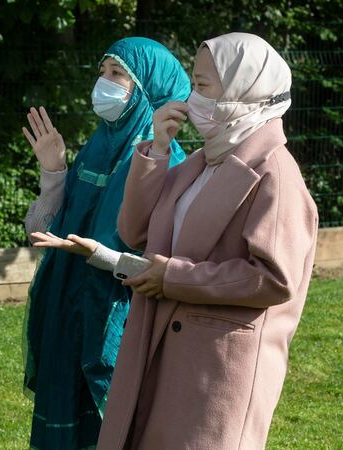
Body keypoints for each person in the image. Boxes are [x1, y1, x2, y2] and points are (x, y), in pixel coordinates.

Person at [97, 32, 319, 449]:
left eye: (202, 85)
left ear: (243, 87)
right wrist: (156, 151)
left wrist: (173, 277)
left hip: (214, 372)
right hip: (160, 351)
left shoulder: (276, 173)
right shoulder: (202, 161)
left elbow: (275, 278)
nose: (191, 95)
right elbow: (134, 233)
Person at [21, 38, 190, 449]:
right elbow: (41, 231)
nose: (104, 83)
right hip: (69, 310)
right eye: (102, 72)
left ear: (149, 87)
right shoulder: (97, 148)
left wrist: (97, 256)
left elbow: (160, 261)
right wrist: (54, 170)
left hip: (122, 322)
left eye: (118, 74)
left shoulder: (170, 161)